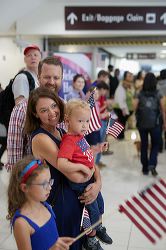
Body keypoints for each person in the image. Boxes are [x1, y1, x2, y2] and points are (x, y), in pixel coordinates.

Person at [24, 87, 102, 250]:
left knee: (81, 239)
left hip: (77, 196)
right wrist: (91, 175)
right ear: (35, 114)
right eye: (44, 110)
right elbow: (73, 175)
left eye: (54, 106)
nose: (52, 112)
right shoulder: (40, 138)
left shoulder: (64, 132)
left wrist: (98, 184)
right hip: (61, 201)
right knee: (69, 243)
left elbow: (89, 158)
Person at [57, 99, 113, 250]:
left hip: (90, 179)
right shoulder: (69, 140)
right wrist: (81, 167)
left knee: (99, 203)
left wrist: (96, 149)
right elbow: (62, 163)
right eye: (80, 121)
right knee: (91, 211)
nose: (85, 125)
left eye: (87, 121)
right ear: (67, 120)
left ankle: (99, 227)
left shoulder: (79, 137)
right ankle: (91, 239)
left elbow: (85, 153)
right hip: (81, 184)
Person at [6, 56, 63, 171]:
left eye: (56, 78)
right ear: (38, 78)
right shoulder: (21, 110)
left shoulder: (65, 106)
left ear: (61, 79)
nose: (51, 82)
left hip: (66, 182)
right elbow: (15, 162)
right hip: (35, 182)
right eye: (47, 77)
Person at [7, 155, 74, 250]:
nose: (50, 187)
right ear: (25, 188)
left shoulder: (46, 206)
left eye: (49, 181)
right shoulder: (22, 223)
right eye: (44, 184)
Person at [133, 72, 166, 176]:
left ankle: (144, 168)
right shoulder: (158, 93)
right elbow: (163, 110)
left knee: (144, 144)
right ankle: (152, 164)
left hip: (142, 123)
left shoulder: (139, 93)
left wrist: (136, 119)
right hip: (155, 124)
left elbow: (134, 108)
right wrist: (165, 123)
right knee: (155, 144)